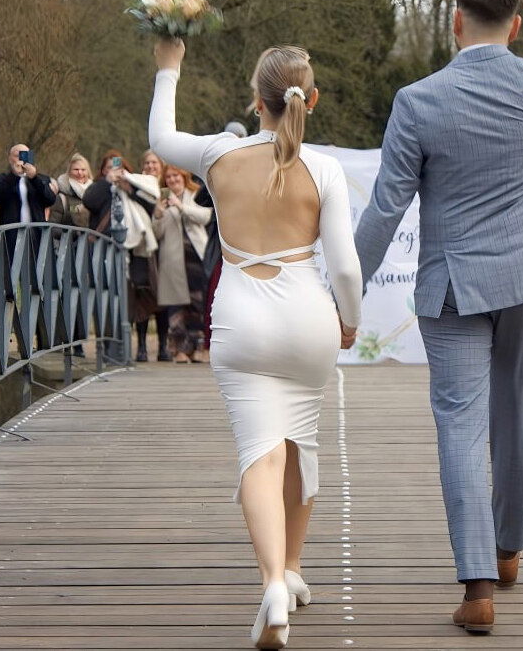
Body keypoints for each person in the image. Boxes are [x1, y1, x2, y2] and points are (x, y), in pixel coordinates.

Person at [354, 0, 523, 633]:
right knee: (520, 410)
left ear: (455, 22)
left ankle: (477, 587)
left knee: (460, 425)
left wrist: (344, 292)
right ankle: (508, 549)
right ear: (517, 26)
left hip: (454, 284)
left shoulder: (418, 100)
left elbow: (385, 209)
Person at [148, 39, 362, 649]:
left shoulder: (219, 154)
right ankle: (291, 569)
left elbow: (160, 136)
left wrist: (169, 69)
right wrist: (349, 320)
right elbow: (346, 268)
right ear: (311, 100)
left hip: (242, 319)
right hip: (309, 320)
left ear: (255, 99)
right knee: (300, 445)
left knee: (259, 456)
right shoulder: (324, 169)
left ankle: (272, 583)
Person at [83, 150, 160, 362]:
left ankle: (123, 347)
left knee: (130, 298)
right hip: (105, 251)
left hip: (133, 253)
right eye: (109, 168)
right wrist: (107, 182)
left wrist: (130, 188)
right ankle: (105, 347)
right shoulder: (100, 188)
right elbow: (89, 201)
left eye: (118, 168)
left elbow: (151, 206)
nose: (114, 171)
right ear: (102, 171)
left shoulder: (135, 186)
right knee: (105, 298)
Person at [152, 164, 212, 364]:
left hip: (195, 256)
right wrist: (158, 214)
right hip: (172, 259)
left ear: (184, 176)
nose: (172, 179)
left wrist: (181, 206)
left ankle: (196, 347)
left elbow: (205, 217)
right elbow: (156, 233)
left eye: (176, 175)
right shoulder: (161, 200)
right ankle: (178, 349)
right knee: (175, 305)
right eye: (168, 177)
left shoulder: (195, 195)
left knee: (197, 304)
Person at [0, 143, 57, 258]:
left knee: (36, 266)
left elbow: (50, 200)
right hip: (11, 233)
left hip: (36, 233)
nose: (21, 159)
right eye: (18, 155)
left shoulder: (42, 179)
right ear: (10, 159)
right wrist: (14, 176)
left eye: (25, 155)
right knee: (10, 266)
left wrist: (34, 178)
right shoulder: (2, 178)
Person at [139, 149, 171, 361]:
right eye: (147, 163)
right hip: (143, 248)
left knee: (163, 297)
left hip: (165, 249)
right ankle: (141, 346)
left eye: (154, 163)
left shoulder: (167, 189)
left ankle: (163, 347)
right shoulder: (138, 189)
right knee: (142, 295)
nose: (151, 166)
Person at [49, 153, 93, 228]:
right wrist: (77, 210)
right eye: (76, 169)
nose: (80, 173)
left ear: (88, 172)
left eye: (83, 170)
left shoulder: (95, 195)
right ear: (69, 172)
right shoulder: (61, 199)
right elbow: (53, 228)